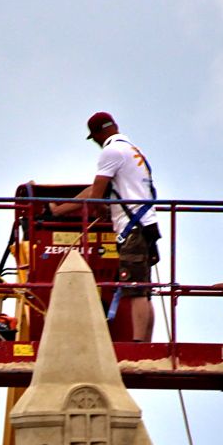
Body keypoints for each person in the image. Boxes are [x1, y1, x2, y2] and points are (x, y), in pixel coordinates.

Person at [51, 111, 159, 342]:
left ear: (99, 134)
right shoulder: (131, 150)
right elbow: (95, 189)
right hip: (147, 226)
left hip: (133, 229)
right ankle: (147, 344)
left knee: (135, 288)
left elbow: (97, 194)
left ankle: (139, 345)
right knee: (145, 290)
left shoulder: (111, 151)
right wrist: (60, 210)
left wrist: (100, 211)